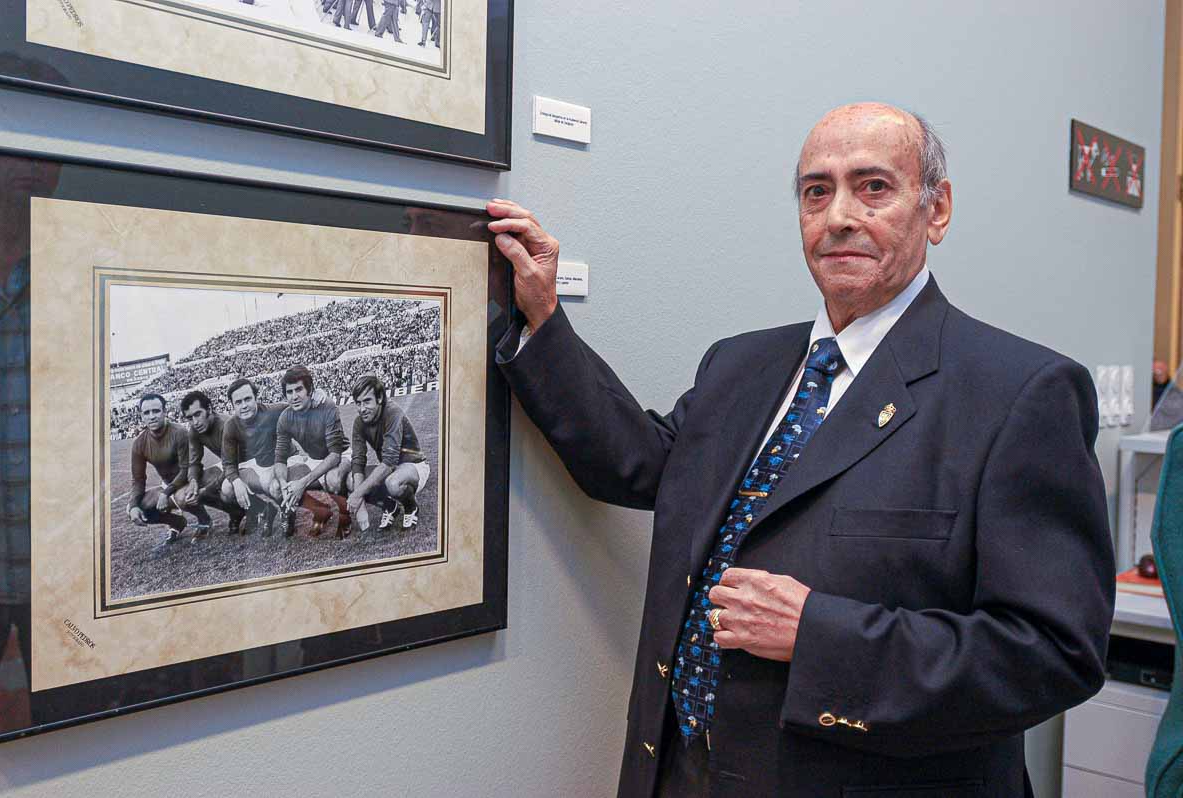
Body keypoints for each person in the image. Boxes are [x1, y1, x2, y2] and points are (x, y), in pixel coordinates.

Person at [486, 102, 1115, 797]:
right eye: (818, 191)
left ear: (936, 210)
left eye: (873, 187)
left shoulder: (1019, 393)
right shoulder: (740, 366)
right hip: (682, 770)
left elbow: (1053, 653)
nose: (839, 215)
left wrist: (818, 634)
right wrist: (544, 318)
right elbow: (640, 465)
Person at [273, 366, 352, 538]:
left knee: (333, 480)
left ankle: (345, 516)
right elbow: (280, 458)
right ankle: (320, 510)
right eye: (289, 392)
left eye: (299, 389)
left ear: (310, 390)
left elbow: (335, 455)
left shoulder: (327, 406)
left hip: (341, 455)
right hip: (314, 459)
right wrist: (283, 483)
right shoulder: (285, 417)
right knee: (276, 486)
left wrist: (302, 483)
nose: (294, 396)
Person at [345, 375, 430, 533]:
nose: (362, 408)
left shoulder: (392, 412)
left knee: (393, 483)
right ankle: (390, 506)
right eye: (358, 403)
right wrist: (359, 501)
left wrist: (357, 495)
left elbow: (390, 462)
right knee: (351, 480)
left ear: (379, 398)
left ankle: (411, 507)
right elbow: (358, 461)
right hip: (390, 469)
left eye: (367, 401)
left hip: (414, 466)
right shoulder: (359, 422)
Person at [127, 393, 212, 544]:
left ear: (165, 412)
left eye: (156, 411)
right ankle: (177, 523)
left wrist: (166, 493)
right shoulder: (139, 443)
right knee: (133, 507)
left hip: (189, 481)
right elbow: (138, 480)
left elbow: (186, 469)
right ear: (141, 416)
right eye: (147, 412)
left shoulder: (179, 432)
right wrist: (134, 506)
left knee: (182, 498)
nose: (152, 416)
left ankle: (204, 519)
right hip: (167, 486)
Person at [179, 390, 244, 535]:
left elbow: (234, 464)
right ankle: (237, 512)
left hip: (246, 464)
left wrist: (208, 489)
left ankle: (260, 508)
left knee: (219, 489)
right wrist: (193, 481)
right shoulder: (194, 431)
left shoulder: (226, 425)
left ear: (209, 409)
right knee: (193, 491)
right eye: (190, 418)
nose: (195, 422)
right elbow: (194, 462)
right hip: (229, 465)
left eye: (198, 414)